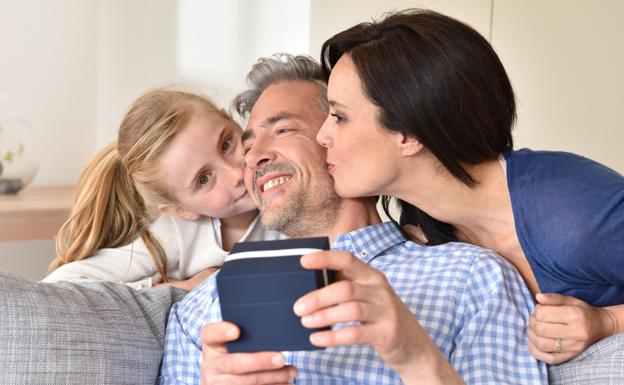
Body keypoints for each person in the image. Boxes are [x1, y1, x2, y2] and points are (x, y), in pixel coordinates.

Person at [158, 54, 546, 385]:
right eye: (247, 144)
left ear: (338, 136)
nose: (252, 156)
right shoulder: (201, 312)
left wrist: (416, 357)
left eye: (283, 129)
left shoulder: (472, 278)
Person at [315, 9, 624, 364]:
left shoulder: (571, 210)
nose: (322, 135)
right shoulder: (422, 236)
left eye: (339, 116)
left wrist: (607, 321)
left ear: (410, 133)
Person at [44, 88, 285, 290]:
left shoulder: (289, 190)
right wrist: (175, 287)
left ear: (231, 121)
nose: (235, 173)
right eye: (203, 179)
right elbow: (60, 285)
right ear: (180, 210)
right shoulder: (175, 235)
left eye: (226, 144)